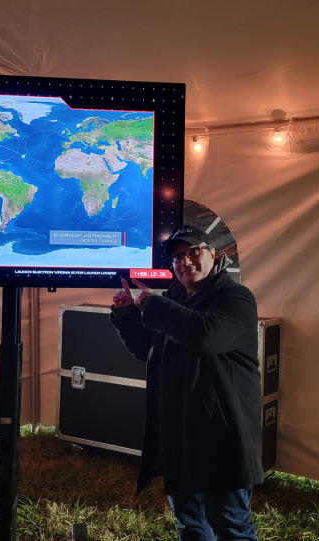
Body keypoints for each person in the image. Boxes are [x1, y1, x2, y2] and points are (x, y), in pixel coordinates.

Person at [110, 225, 263, 541]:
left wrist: (152, 304)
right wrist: (126, 317)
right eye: (178, 256)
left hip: (223, 437)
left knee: (231, 526)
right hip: (181, 435)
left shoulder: (236, 298)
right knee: (190, 525)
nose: (185, 261)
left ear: (213, 254)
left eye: (194, 251)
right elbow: (150, 350)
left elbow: (204, 335)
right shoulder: (176, 297)